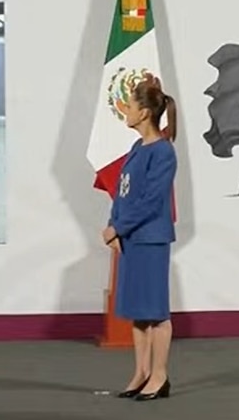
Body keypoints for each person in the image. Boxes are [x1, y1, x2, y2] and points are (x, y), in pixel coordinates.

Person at [101, 78, 178, 402]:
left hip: (151, 240)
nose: (126, 111)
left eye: (130, 106)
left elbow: (150, 201)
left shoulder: (163, 152)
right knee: (138, 311)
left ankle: (159, 375)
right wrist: (113, 224)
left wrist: (118, 228)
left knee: (156, 311)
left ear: (145, 112)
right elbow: (123, 193)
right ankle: (141, 372)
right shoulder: (137, 148)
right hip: (132, 238)